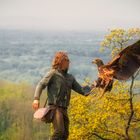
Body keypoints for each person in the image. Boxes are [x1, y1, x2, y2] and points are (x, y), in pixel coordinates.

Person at [32, 51, 91, 140]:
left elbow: (82, 91)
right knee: (59, 131)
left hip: (64, 109)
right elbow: (41, 85)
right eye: (66, 60)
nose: (68, 62)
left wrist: (96, 85)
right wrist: (36, 99)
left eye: (68, 60)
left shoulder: (70, 78)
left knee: (65, 134)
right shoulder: (53, 73)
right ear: (60, 61)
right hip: (55, 108)